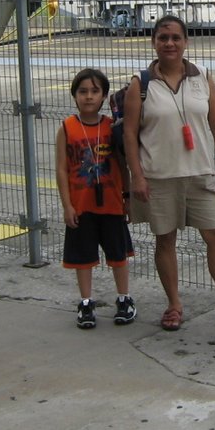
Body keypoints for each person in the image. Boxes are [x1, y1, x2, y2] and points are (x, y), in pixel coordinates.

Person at [123, 15, 215, 331]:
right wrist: (138, 178)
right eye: (162, 38)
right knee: (165, 240)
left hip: (201, 173)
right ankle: (173, 305)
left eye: (175, 38)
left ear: (185, 42)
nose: (169, 44)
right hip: (159, 176)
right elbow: (129, 134)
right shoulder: (140, 84)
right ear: (153, 42)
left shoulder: (202, 77)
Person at [55, 68, 135, 329]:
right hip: (82, 204)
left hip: (111, 203)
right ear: (74, 95)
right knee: (83, 257)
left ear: (103, 96)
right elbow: (62, 169)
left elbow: (123, 164)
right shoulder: (67, 128)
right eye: (82, 91)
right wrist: (67, 205)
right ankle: (86, 302)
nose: (88, 97)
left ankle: (124, 298)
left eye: (94, 91)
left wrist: (127, 197)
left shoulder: (111, 127)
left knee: (118, 254)